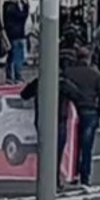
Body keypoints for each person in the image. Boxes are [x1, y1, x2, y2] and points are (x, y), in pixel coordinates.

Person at [20, 46, 81, 191]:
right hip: (59, 121)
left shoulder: (40, 81)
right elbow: (77, 95)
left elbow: (24, 94)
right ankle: (54, 180)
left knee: (44, 151)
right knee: (57, 152)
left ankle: (45, 179)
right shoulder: (63, 83)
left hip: (42, 121)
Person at [61, 45, 100, 189]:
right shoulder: (95, 75)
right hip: (90, 111)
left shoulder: (68, 73)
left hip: (72, 111)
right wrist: (99, 111)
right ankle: (85, 176)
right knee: (86, 146)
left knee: (71, 144)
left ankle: (71, 172)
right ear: (88, 59)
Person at [2, 0, 29, 84]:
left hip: (19, 34)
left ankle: (14, 76)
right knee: (15, 57)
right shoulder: (10, 7)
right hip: (14, 35)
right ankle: (14, 76)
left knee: (17, 57)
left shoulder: (14, 6)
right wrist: (24, 6)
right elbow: (21, 16)